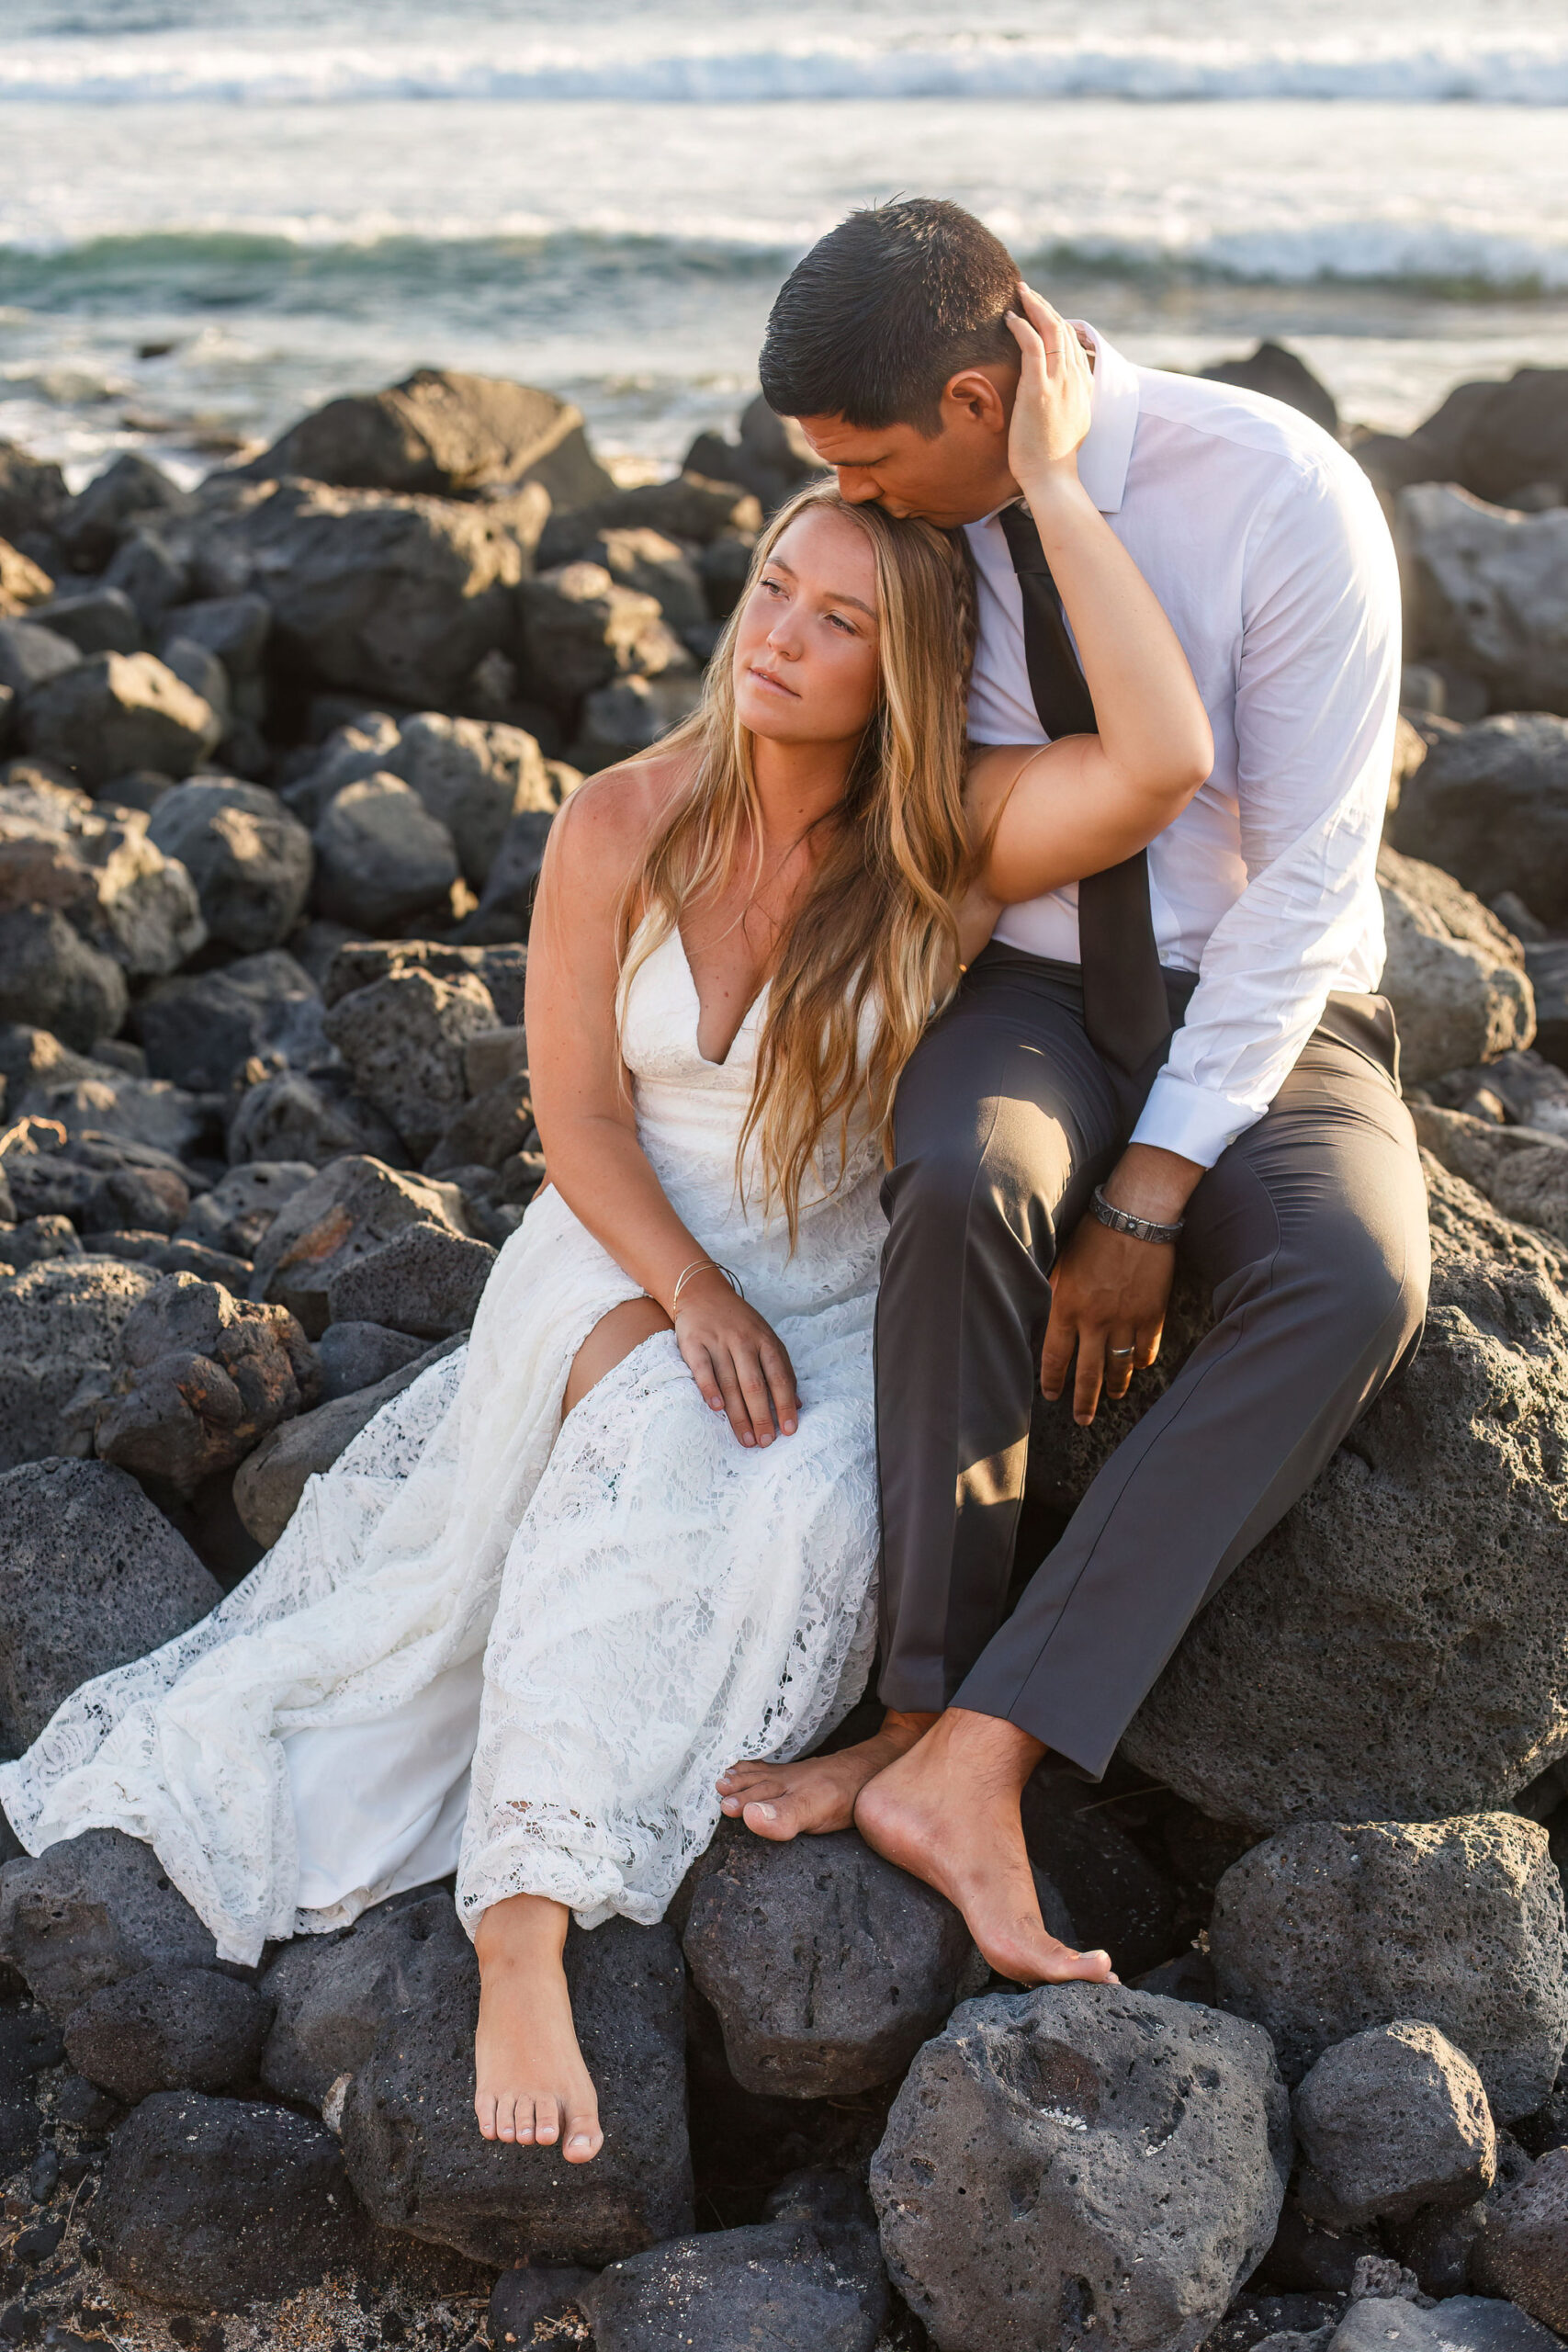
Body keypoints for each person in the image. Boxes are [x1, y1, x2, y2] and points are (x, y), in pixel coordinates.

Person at [0, 290, 1211, 2167]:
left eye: (841, 624)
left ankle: (605, 1807)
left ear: (907, 670)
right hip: (627, 1238)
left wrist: (1045, 484)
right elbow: (571, 1115)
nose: (783, 645)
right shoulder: (619, 817)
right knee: (648, 1434)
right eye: (772, 600)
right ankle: (523, 1922)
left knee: (804, 1524)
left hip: (834, 1279)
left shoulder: (939, 839)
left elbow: (1153, 756)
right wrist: (683, 1282)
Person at [716, 198, 1430, 1988]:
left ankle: (987, 1750)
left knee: (1354, 1277)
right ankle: (914, 1703)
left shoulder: (1275, 493)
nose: (858, 501)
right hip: (1025, 981)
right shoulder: (916, 518)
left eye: (875, 462)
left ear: (981, 396)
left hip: (1273, 1001)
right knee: (958, 1172)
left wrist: (1153, 1188)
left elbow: (1304, 871)